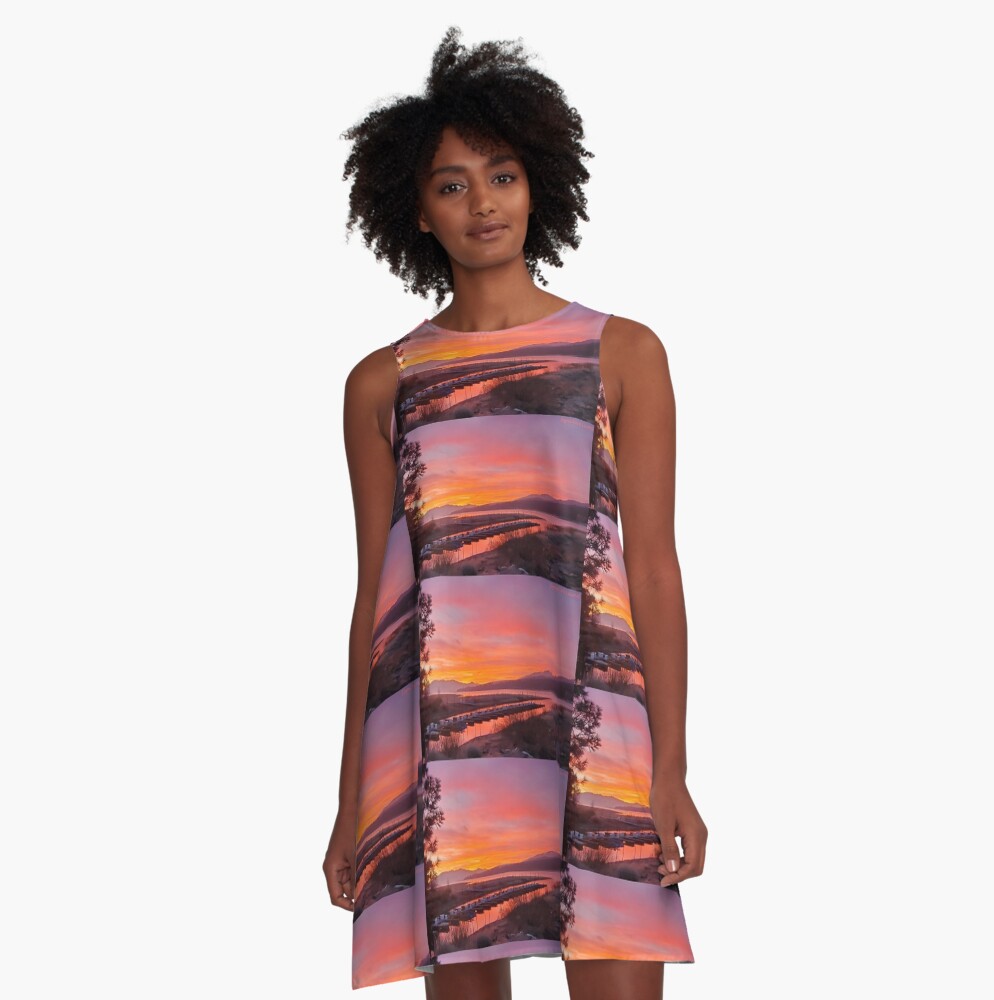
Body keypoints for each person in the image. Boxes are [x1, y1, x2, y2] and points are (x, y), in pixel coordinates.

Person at [324, 26, 707, 999]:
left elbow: (653, 568)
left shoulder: (623, 353)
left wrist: (671, 768)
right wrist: (352, 801)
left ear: (537, 184)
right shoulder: (382, 383)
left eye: (501, 176)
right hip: (443, 743)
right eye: (452, 185)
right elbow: (377, 603)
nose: (483, 203)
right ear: (416, 210)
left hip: (597, 720)